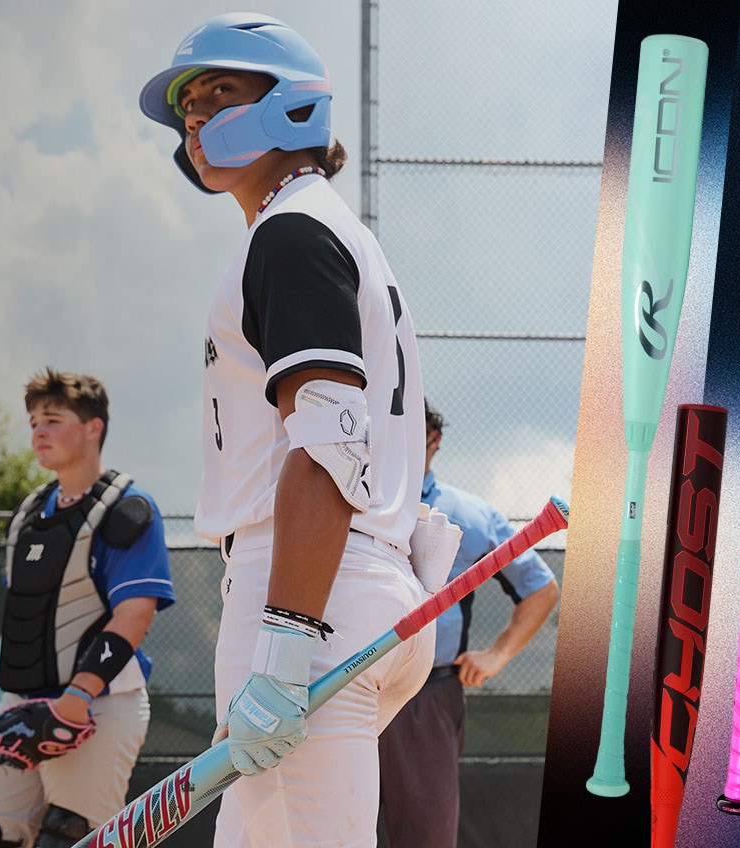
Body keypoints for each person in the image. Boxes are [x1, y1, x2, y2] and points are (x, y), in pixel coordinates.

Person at [138, 12, 434, 848]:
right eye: (188, 104)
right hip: (343, 585)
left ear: (292, 104)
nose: (196, 116)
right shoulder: (318, 225)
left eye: (220, 91)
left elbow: (328, 444)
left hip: (310, 591)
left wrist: (285, 646)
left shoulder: (293, 231)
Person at [0, 369, 175, 848]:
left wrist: (77, 698)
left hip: (99, 704)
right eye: (32, 423)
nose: (38, 432)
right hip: (20, 704)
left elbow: (133, 614)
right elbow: (18, 626)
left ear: (94, 428)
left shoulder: (127, 508)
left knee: (70, 837)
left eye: (52, 419)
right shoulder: (29, 514)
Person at [378, 398, 560, 847]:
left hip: (425, 696)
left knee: (425, 837)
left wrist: (497, 653)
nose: (394, 443)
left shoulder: (470, 516)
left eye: (409, 434)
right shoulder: (346, 503)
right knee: (325, 828)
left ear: (433, 440)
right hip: (338, 685)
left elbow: (540, 587)